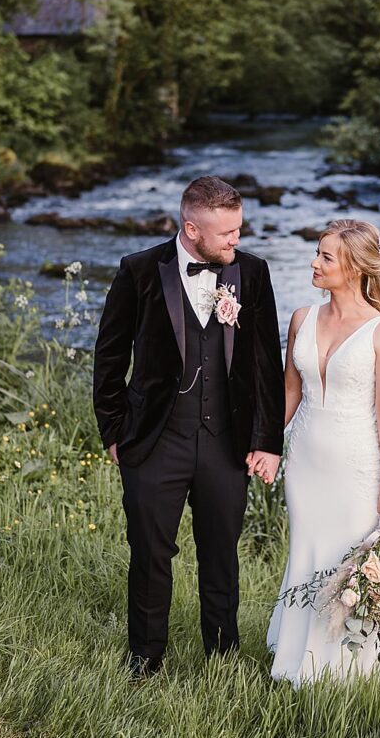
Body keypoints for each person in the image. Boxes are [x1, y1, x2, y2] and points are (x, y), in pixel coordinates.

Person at [92, 175, 285, 678]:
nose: (236, 241)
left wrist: (267, 441)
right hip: (156, 441)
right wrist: (113, 431)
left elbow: (267, 362)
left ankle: (222, 658)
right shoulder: (138, 271)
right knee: (150, 553)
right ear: (191, 228)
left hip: (226, 443)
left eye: (239, 230)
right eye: (226, 234)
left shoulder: (253, 273)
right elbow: (108, 357)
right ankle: (144, 660)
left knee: (221, 553)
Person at [266, 218, 380, 685]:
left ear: (356, 268)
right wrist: (264, 446)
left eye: (326, 256)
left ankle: (352, 668)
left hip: (355, 467)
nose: (314, 263)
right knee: (307, 552)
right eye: (318, 253)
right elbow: (290, 392)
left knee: (347, 561)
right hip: (304, 460)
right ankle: (297, 657)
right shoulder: (302, 318)